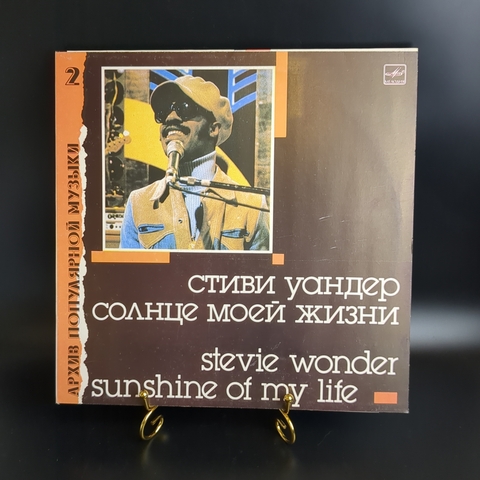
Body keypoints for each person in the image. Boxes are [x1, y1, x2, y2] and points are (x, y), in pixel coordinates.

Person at [120, 75, 269, 251]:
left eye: (185, 108)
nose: (170, 117)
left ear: (213, 128)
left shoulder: (252, 205)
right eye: (163, 111)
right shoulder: (138, 203)